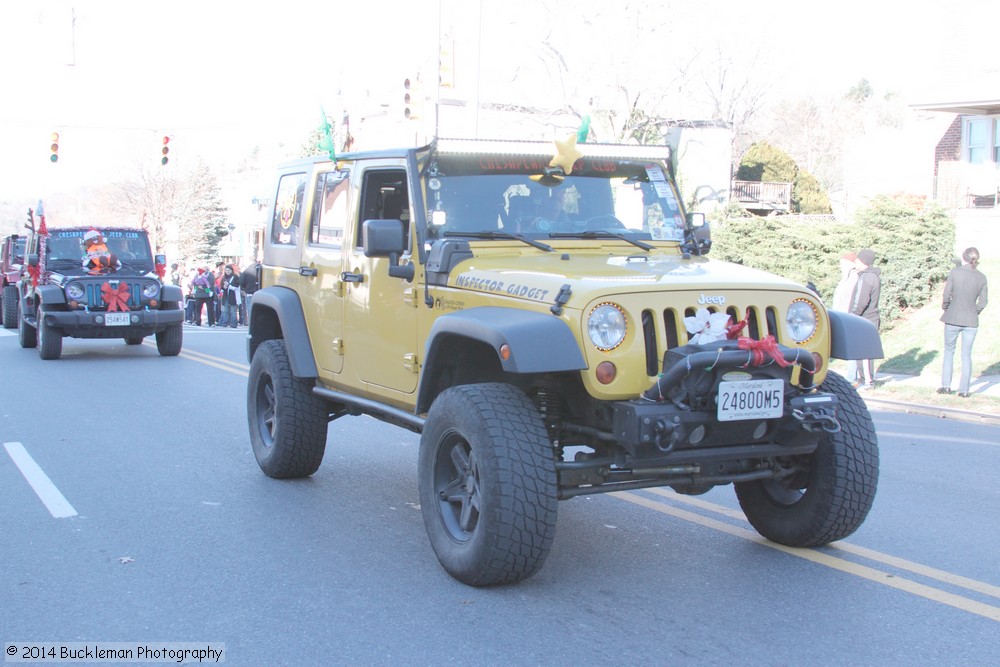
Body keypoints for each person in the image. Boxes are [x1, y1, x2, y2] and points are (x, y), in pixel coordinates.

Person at [939, 247, 988, 397]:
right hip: (971, 320)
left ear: (964, 258)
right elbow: (983, 301)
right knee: (966, 355)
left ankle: (946, 386)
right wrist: (975, 311)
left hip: (953, 317)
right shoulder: (981, 277)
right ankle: (964, 390)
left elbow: (947, 294)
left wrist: (946, 307)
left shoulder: (955, 272)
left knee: (949, 351)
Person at [850, 248, 881, 390]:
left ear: (863, 261)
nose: (855, 261)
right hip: (867, 319)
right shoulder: (869, 276)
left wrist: (852, 316)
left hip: (865, 319)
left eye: (858, 259)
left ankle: (868, 381)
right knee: (861, 351)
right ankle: (862, 379)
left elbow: (861, 302)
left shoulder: (867, 278)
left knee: (865, 352)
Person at [832, 251, 861, 384]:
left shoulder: (854, 277)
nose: (840, 265)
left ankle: (852, 375)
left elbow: (850, 298)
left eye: (842, 263)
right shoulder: (845, 277)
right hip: (840, 315)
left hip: (847, 316)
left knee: (852, 346)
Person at [219, 263, 242, 329]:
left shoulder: (235, 277)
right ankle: (225, 322)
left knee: (233, 310)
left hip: (233, 296)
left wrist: (229, 285)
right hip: (225, 295)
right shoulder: (224, 277)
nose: (227, 272)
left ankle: (234, 323)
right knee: (225, 310)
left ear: (231, 270)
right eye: (226, 270)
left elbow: (237, 286)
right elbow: (221, 287)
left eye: (229, 270)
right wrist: (223, 287)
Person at [240, 260, 260, 326]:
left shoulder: (247, 270)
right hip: (260, 293)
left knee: (250, 308)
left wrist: (243, 289)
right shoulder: (261, 270)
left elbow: (241, 281)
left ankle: (252, 323)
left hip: (249, 292)